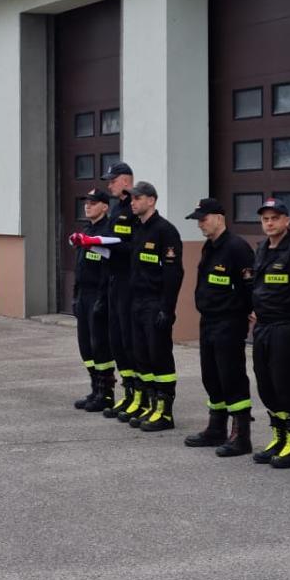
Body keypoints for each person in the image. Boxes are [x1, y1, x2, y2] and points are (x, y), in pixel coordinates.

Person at [181, 197, 255, 453]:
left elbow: (249, 286)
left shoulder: (237, 247)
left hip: (229, 321)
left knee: (231, 376)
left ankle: (241, 435)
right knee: (211, 376)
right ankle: (216, 428)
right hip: (209, 320)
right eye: (198, 220)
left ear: (219, 218)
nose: (200, 224)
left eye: (203, 219)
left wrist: (249, 312)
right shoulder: (210, 247)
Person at [247, 198, 290, 469]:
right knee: (266, 382)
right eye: (265, 219)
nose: (269, 223)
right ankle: (280, 435)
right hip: (262, 327)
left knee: (286, 383)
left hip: (286, 326)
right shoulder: (262, 248)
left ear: (287, 220)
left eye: (275, 218)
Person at [123, 182, 184, 432]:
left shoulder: (165, 231)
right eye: (132, 198)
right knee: (141, 356)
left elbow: (173, 273)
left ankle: (165, 412)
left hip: (155, 303)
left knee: (160, 357)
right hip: (137, 301)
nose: (132, 202)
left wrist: (167, 309)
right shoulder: (137, 228)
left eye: (137, 198)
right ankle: (151, 405)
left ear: (151, 200)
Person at [94, 163, 141, 420]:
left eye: (113, 180)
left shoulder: (134, 208)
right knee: (117, 340)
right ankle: (129, 393)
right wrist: (95, 244)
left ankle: (140, 396)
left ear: (125, 180)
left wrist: (109, 245)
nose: (109, 184)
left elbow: (134, 246)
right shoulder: (116, 209)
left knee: (129, 340)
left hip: (128, 282)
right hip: (113, 279)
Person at [68, 188, 117, 412]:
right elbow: (80, 267)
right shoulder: (86, 230)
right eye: (86, 202)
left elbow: (108, 269)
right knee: (85, 346)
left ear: (105, 207)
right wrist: (75, 295)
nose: (87, 206)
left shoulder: (107, 232)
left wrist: (103, 299)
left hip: (99, 294)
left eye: (93, 203)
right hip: (84, 295)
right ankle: (95, 388)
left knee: (100, 346)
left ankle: (106, 393)